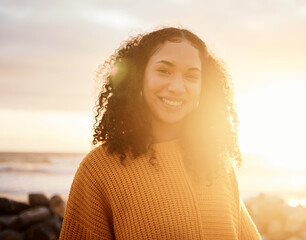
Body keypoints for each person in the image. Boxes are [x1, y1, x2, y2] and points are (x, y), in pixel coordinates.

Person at [60, 27, 261, 239]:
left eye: (191, 76)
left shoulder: (216, 164)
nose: (177, 87)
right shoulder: (99, 170)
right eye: (164, 71)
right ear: (139, 76)